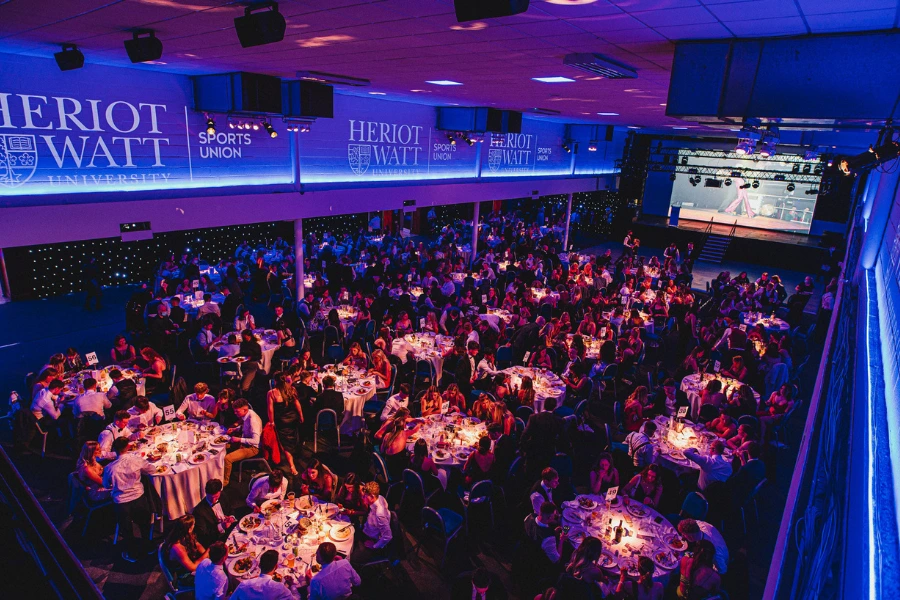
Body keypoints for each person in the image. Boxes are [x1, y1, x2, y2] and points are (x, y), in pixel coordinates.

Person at [102, 436, 155, 562]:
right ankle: (148, 547)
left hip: (121, 502)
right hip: (138, 498)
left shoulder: (109, 468)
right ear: (127, 447)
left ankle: (132, 554)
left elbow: (105, 485)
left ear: (114, 449)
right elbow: (151, 469)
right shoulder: (136, 460)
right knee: (144, 525)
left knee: (127, 530)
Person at [230, 549, 299, 599]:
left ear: (259, 565)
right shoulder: (280, 589)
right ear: (276, 567)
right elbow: (296, 598)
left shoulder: (244, 584)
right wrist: (293, 587)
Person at [223, 398, 262, 487]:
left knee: (227, 459)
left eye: (237, 411)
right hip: (245, 442)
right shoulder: (247, 414)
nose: (235, 413)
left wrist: (239, 440)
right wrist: (235, 429)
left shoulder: (253, 420)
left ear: (245, 409)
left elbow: (256, 441)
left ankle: (225, 482)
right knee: (222, 445)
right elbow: (245, 428)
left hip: (252, 448)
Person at [352, 481, 392, 565]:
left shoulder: (379, 514)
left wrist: (374, 546)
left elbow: (388, 536)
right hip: (366, 531)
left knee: (353, 560)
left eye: (365, 497)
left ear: (372, 496)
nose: (363, 498)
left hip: (371, 539)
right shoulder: (380, 497)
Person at [163, 515, 209, 586]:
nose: (194, 526)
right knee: (213, 577)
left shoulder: (186, 535)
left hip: (190, 565)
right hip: (184, 575)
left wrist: (205, 553)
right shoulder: (177, 548)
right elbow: (192, 567)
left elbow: (197, 544)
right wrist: (207, 553)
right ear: (189, 529)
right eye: (193, 524)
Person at [192, 479, 236, 548]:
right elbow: (203, 535)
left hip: (230, 531)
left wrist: (231, 517)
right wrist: (221, 526)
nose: (213, 500)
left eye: (216, 497)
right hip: (215, 540)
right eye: (211, 497)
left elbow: (230, 509)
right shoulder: (199, 511)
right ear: (206, 493)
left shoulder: (223, 496)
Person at [524, 501, 567, 565]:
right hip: (538, 561)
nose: (555, 517)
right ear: (549, 517)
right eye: (554, 516)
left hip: (526, 549)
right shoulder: (548, 538)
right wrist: (562, 540)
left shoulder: (529, 517)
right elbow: (556, 560)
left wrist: (554, 532)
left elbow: (535, 531)